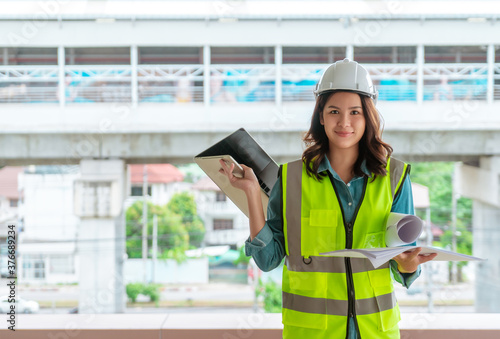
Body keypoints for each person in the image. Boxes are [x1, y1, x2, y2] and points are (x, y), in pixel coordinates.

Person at [219, 58, 437, 339]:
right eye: (334, 111)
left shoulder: (395, 177)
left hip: (376, 332)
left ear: (367, 116)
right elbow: (268, 259)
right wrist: (250, 192)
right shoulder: (291, 180)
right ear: (321, 116)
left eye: (355, 112)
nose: (344, 122)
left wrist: (408, 266)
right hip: (310, 333)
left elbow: (403, 258)